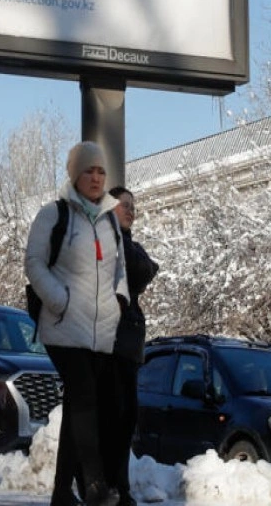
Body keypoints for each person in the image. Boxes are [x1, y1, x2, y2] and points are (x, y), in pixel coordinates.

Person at [26, 141, 127, 506]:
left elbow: (119, 269)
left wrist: (119, 301)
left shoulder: (110, 220)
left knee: (80, 404)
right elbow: (34, 263)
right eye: (89, 170)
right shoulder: (54, 214)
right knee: (84, 395)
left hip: (100, 330)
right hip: (63, 323)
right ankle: (95, 483)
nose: (96, 177)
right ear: (75, 175)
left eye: (101, 171)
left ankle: (60, 492)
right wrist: (59, 299)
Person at [106, 186, 157, 506]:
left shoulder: (128, 244)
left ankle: (118, 485)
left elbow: (147, 269)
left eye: (133, 207)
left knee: (126, 420)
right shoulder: (109, 242)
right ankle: (110, 486)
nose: (130, 211)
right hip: (109, 343)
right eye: (124, 205)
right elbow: (140, 270)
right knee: (113, 417)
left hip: (128, 345)